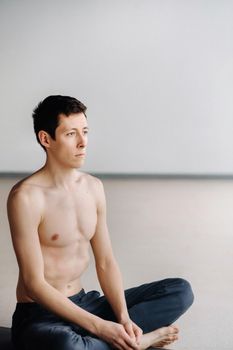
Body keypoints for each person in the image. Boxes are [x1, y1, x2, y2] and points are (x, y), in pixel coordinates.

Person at [7, 95, 194, 350]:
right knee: (66, 345)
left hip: (85, 303)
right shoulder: (26, 197)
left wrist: (123, 318)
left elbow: (105, 262)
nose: (83, 142)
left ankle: (114, 340)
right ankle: (138, 343)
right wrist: (101, 326)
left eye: (85, 131)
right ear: (46, 139)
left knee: (180, 291)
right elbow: (34, 284)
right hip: (40, 315)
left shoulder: (94, 188)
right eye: (71, 134)